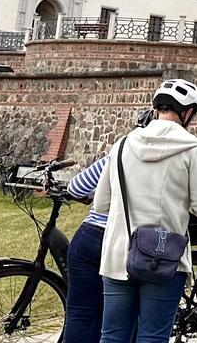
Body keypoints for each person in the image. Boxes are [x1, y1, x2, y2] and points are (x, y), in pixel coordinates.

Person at [94, 79, 197, 343]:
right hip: (164, 258)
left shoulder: (122, 145)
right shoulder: (191, 149)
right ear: (187, 113)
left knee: (112, 336)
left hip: (118, 254)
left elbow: (101, 203)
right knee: (153, 337)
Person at [65, 108, 152, 343]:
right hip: (126, 243)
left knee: (79, 314)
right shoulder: (168, 161)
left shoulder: (119, 152)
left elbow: (75, 188)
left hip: (90, 236)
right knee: (121, 319)